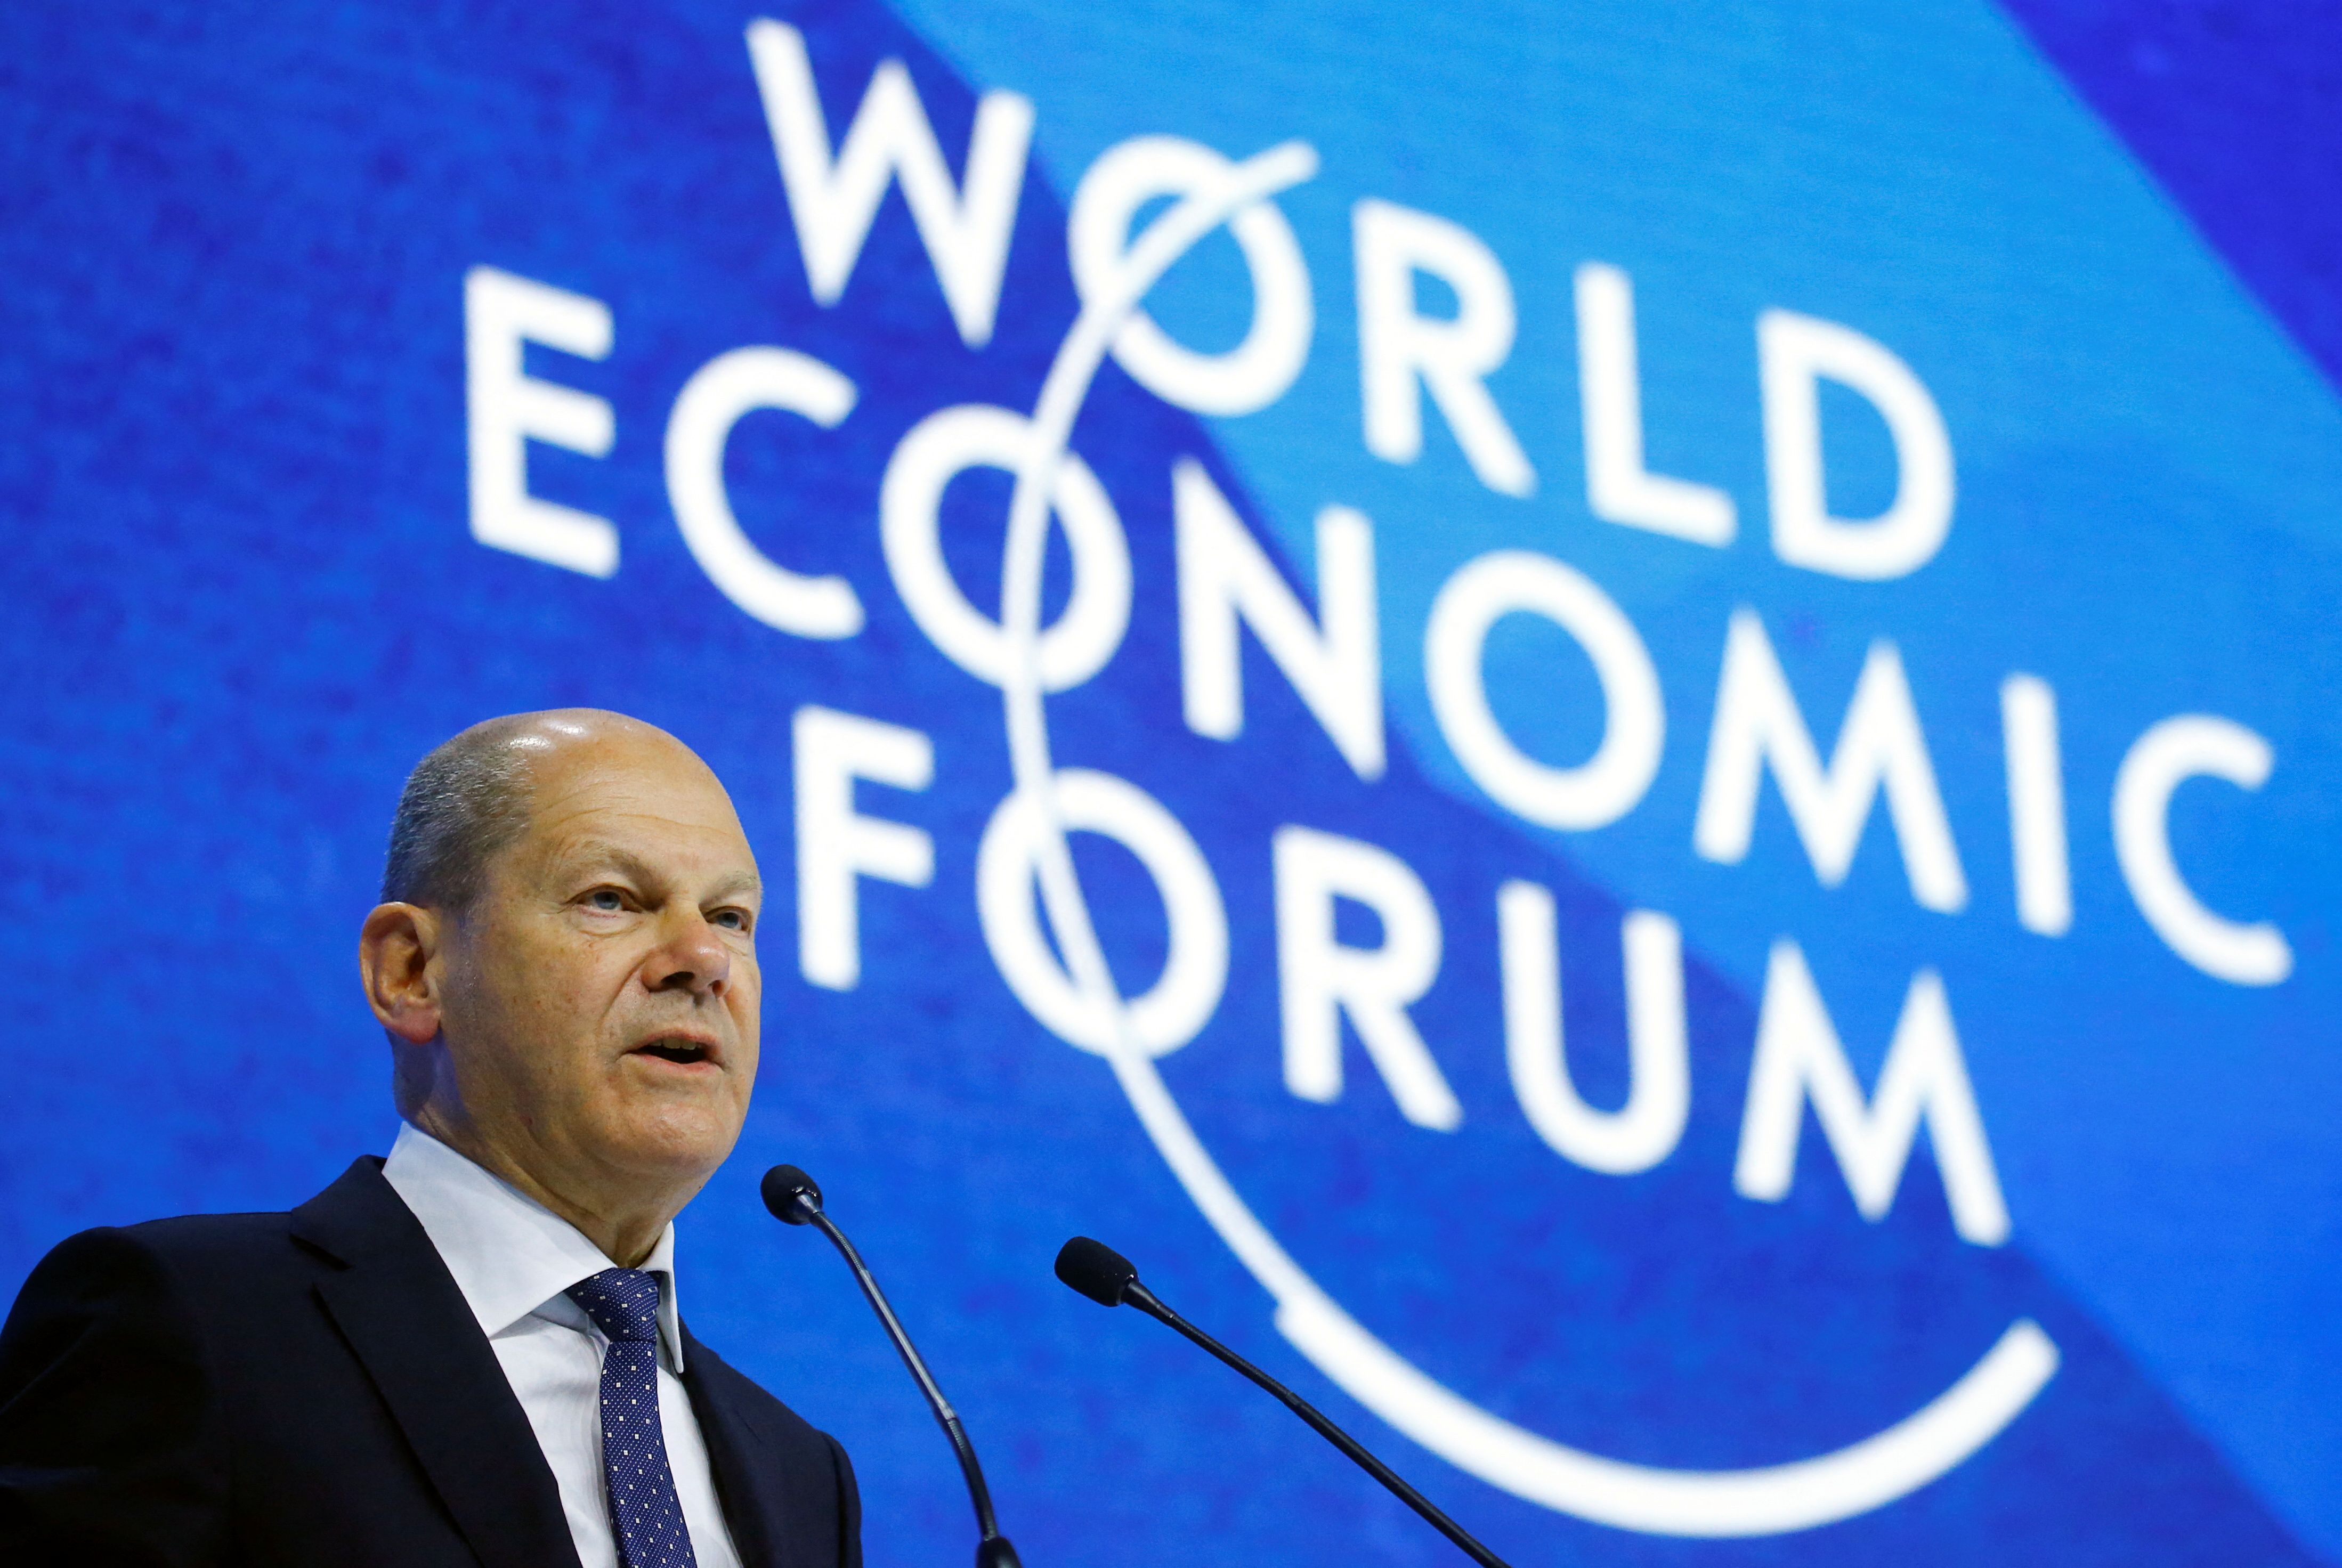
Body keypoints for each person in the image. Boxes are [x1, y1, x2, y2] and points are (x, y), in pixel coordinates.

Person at [0, 710, 859, 1568]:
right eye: (612, 899)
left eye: (732, 917)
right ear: (411, 971)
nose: (701, 958)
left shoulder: (801, 1475)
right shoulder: (196, 1325)